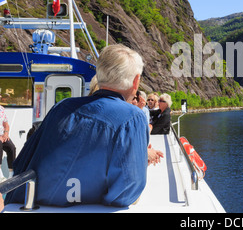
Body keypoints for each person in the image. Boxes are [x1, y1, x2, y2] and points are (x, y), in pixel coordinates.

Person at [6, 44, 163, 208]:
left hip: (29, 204)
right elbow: (127, 192)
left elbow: (22, 162)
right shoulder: (132, 118)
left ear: (100, 75)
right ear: (136, 81)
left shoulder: (62, 107)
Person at [0, 105, 15, 182]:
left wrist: (5, 134)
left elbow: (6, 125)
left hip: (2, 135)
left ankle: (11, 173)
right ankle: (0, 174)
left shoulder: (1, 109)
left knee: (11, 147)